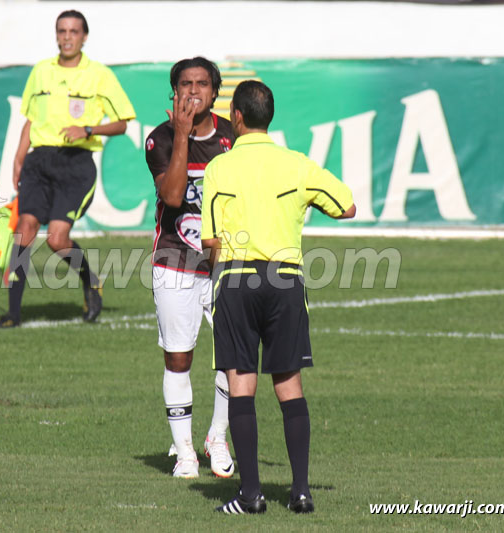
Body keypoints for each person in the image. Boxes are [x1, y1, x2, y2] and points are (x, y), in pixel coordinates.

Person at [201, 80, 356, 514]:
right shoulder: (296, 164)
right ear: (270, 117)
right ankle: (301, 491)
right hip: (285, 281)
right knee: (289, 385)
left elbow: (209, 238)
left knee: (241, 385)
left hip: (235, 280)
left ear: (236, 116)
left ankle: (250, 495)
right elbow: (347, 207)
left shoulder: (221, 167)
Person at [0, 9, 136, 328]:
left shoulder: (99, 74)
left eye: (74, 31)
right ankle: (13, 314)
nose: (67, 37)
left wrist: (88, 129)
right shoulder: (41, 71)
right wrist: (19, 157)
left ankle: (90, 281)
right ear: (56, 35)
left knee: (57, 240)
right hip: (39, 160)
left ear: (84, 37)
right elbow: (30, 119)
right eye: (62, 31)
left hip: (76, 164)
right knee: (25, 229)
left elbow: (122, 124)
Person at [144, 57, 235, 479]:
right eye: (185, 84)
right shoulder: (160, 138)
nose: (193, 91)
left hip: (227, 266)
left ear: (215, 92)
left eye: (201, 84)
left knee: (234, 359)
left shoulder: (234, 136)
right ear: (173, 92)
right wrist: (182, 135)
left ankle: (217, 437)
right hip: (175, 262)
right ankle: (185, 453)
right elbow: (175, 196)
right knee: (178, 359)